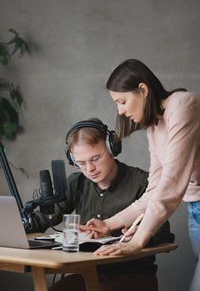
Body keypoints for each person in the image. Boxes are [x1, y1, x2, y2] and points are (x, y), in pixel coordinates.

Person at [85, 59, 200, 291]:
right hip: (195, 210)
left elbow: (171, 185)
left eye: (122, 101)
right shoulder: (154, 127)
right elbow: (154, 191)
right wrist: (107, 225)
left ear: (143, 90)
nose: (120, 110)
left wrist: (139, 241)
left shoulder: (183, 105)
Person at [30, 118, 174, 291]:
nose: (89, 169)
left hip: (132, 275)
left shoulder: (143, 182)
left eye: (95, 158)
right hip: (87, 273)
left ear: (112, 149)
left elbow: (164, 234)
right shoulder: (76, 183)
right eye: (81, 163)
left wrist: (139, 238)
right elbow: (42, 218)